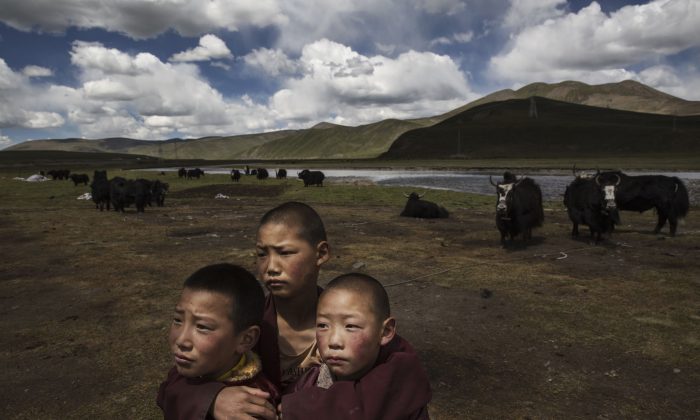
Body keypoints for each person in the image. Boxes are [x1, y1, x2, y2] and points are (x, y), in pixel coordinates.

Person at [163, 202, 428, 419]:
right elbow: (174, 384)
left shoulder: (357, 322)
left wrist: (305, 409)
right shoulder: (247, 323)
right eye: (262, 254)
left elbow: (401, 384)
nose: (271, 267)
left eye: (285, 252)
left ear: (321, 253)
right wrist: (213, 399)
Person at [281, 273, 432, 419]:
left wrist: (295, 410)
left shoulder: (403, 376)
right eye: (323, 325)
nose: (334, 341)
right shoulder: (309, 381)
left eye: (351, 326)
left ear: (385, 331)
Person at [156, 263, 279, 419]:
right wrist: (210, 398)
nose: (181, 340)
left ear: (246, 339)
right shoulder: (196, 368)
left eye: (202, 327)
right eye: (178, 320)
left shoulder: (253, 404)